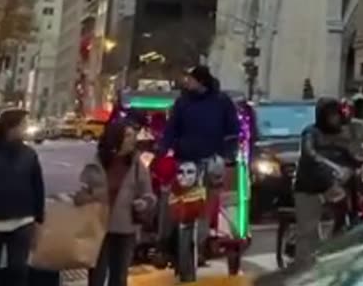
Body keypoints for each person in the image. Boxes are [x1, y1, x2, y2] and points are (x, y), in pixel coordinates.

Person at [158, 66, 240, 265]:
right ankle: (165, 245)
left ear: (201, 81)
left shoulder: (221, 102)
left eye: (191, 79)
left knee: (208, 205)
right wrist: (163, 149)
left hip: (211, 160)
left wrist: (227, 155)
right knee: (173, 201)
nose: (188, 82)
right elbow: (172, 128)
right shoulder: (182, 103)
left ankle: (200, 246)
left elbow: (232, 130)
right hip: (185, 161)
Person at [75, 120, 154, 286]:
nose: (133, 139)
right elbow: (80, 193)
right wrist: (86, 197)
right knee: (96, 277)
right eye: (128, 135)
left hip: (125, 228)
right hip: (98, 227)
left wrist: (143, 203)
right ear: (116, 138)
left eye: (133, 135)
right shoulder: (96, 162)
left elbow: (149, 195)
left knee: (119, 277)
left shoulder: (137, 164)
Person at [0, 110, 45, 286]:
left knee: (18, 270)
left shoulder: (29, 154)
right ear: (10, 128)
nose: (26, 129)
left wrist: (39, 220)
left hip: (23, 221)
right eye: (23, 125)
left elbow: (37, 187)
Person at [292, 98, 363, 266]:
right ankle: (301, 268)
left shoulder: (342, 134)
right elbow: (310, 154)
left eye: (337, 114)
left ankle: (334, 246)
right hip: (309, 186)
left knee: (344, 212)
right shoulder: (310, 133)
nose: (335, 118)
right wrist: (334, 167)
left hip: (332, 185)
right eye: (331, 115)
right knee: (308, 231)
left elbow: (352, 155)